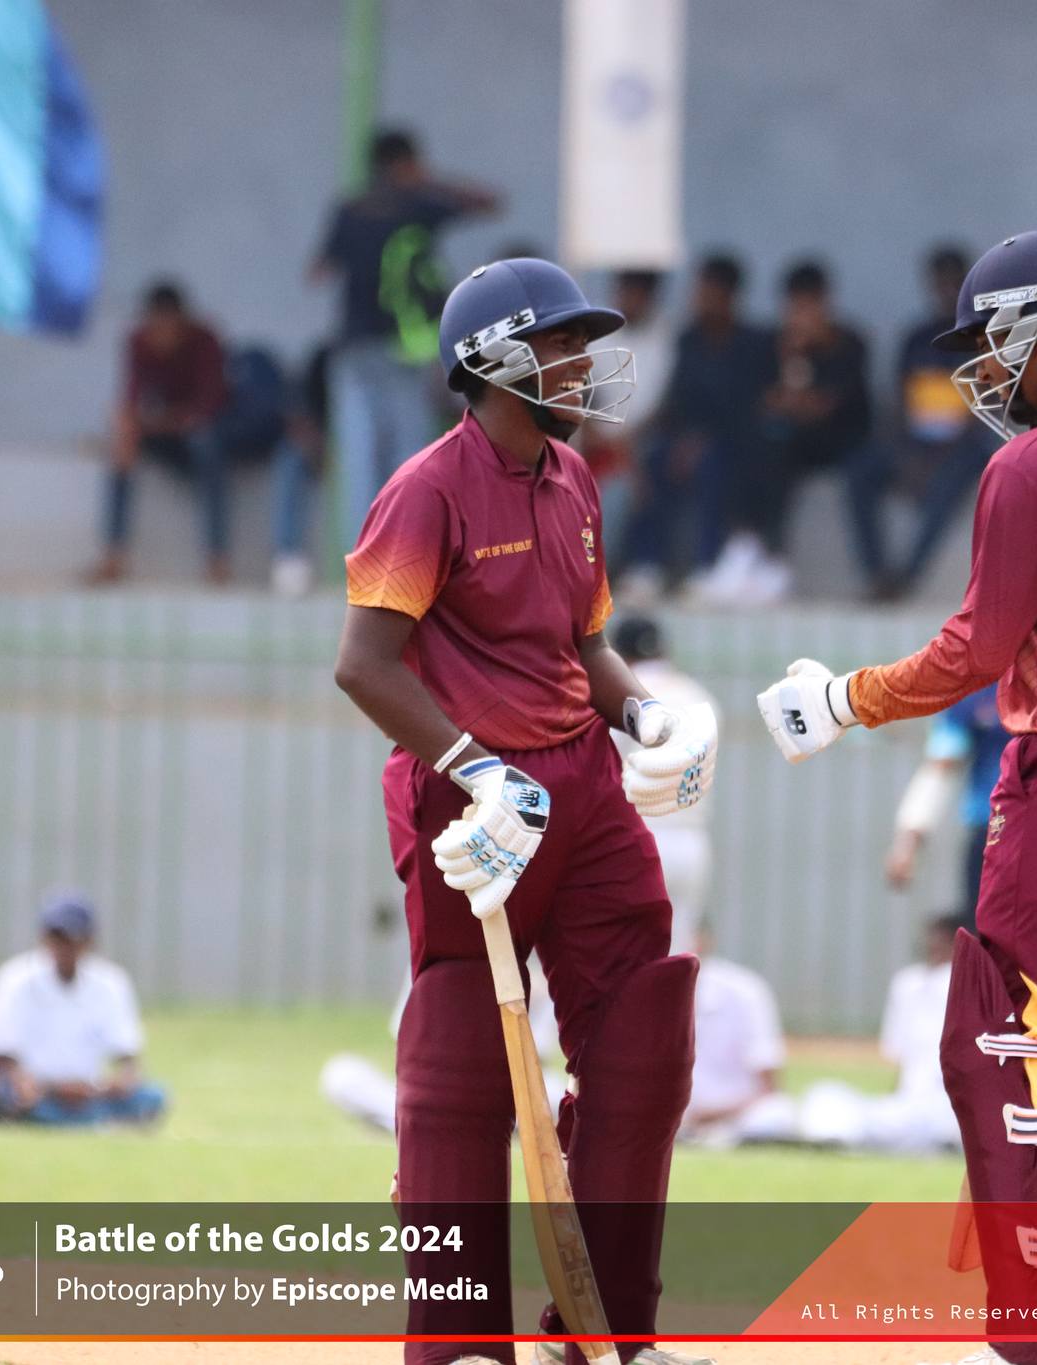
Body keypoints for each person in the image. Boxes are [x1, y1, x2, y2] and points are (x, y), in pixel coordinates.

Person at [758, 231, 1037, 1365]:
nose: (983, 367)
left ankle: (1026, 1340)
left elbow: (975, 646)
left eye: (992, 341)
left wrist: (844, 700)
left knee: (1002, 1042)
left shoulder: (1033, 465)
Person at [333, 254, 717, 1365]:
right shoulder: (426, 489)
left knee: (642, 1039)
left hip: (584, 788)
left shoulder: (574, 477)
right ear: (494, 360)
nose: (583, 362)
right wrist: (477, 768)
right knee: (462, 1064)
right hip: (472, 797)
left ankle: (606, 1334)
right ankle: (457, 1342)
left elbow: (585, 647)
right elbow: (364, 663)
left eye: (583, 343)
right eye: (560, 342)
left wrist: (646, 717)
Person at [312, 128, 501, 547]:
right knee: (409, 454)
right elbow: (490, 202)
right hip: (402, 349)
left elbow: (319, 271)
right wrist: (429, 184)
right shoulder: (417, 206)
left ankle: (363, 554)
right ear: (405, 165)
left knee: (359, 457)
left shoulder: (350, 208)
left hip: (353, 347)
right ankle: (408, 552)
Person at [697, 260, 872, 607]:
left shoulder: (848, 344)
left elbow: (823, 407)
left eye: (808, 307)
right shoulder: (775, 343)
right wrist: (790, 356)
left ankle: (766, 554)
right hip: (792, 441)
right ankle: (750, 548)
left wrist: (794, 389)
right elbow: (764, 400)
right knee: (755, 443)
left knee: (778, 442)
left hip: (841, 441)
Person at [617, 254, 775, 600]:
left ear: (729, 296)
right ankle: (647, 565)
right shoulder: (689, 340)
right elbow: (677, 400)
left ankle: (708, 564)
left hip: (734, 444)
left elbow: (748, 407)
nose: (700, 300)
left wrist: (702, 442)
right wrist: (674, 439)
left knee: (712, 465)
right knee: (654, 461)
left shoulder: (752, 344)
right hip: (683, 439)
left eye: (708, 293)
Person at [848, 243, 1001, 600]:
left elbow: (987, 412)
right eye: (940, 284)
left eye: (954, 284)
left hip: (963, 447)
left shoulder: (987, 341)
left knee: (951, 482)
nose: (947, 293)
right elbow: (900, 406)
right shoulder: (917, 338)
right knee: (859, 473)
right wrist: (908, 456)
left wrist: (935, 460)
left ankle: (907, 578)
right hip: (916, 444)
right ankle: (876, 574)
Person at [85, 281, 234, 587]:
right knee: (122, 445)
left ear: (182, 321)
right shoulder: (139, 341)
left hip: (201, 431)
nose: (162, 334)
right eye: (156, 325)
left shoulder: (205, 340)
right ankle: (113, 555)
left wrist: (153, 421)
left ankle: (216, 558)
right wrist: (126, 424)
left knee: (207, 445)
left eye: (168, 326)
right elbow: (131, 397)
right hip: (163, 428)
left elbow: (208, 406)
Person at [0, 891, 167, 1126]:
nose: (63, 947)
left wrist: (118, 1083)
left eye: (71, 938)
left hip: (89, 1091)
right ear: (43, 938)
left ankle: (87, 1119)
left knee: (152, 1096)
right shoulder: (16, 978)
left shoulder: (110, 982)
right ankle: (95, 1122)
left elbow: (127, 1056)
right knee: (9, 1095)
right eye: (56, 938)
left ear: (89, 941)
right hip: (38, 1089)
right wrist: (30, 1082)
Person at [798, 914, 963, 1154]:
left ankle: (843, 1138)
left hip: (948, 1110)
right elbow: (902, 1061)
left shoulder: (969, 982)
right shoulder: (909, 983)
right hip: (910, 1106)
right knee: (824, 1094)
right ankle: (839, 1138)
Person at [610, 616, 717, 954]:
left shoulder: (623, 692)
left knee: (623, 952)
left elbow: (605, 763)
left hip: (640, 836)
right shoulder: (699, 695)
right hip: (692, 839)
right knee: (678, 956)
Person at [886, 683, 1012, 927]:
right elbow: (942, 767)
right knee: (989, 934)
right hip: (994, 831)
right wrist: (908, 840)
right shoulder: (976, 692)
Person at [581, 269, 676, 561]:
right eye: (625, 292)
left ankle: (639, 564)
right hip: (595, 441)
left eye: (636, 294)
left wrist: (626, 448)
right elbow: (578, 400)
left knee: (641, 476)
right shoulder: (594, 336)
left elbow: (662, 406)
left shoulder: (666, 338)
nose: (629, 300)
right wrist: (605, 442)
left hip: (643, 441)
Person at [681, 922, 791, 1147]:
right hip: (672, 1119)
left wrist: (709, 1116)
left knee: (776, 1115)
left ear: (702, 940)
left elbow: (769, 1088)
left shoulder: (744, 991)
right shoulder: (643, 991)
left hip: (737, 1119)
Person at [270, 342, 334, 597]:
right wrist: (316, 438)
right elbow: (302, 417)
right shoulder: (324, 359)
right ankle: (289, 558)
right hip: (321, 437)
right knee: (291, 456)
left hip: (366, 447)